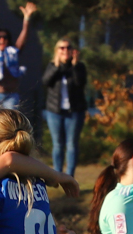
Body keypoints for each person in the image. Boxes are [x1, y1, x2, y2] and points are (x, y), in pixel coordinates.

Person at [42, 38, 87, 176]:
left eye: (68, 47)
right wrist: (56, 66)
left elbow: (80, 83)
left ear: (73, 50)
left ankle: (69, 176)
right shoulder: (52, 66)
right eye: (62, 48)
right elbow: (46, 81)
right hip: (54, 111)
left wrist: (74, 65)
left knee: (72, 144)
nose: (65, 50)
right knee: (58, 144)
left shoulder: (79, 66)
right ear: (57, 50)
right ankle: (57, 175)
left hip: (74, 111)